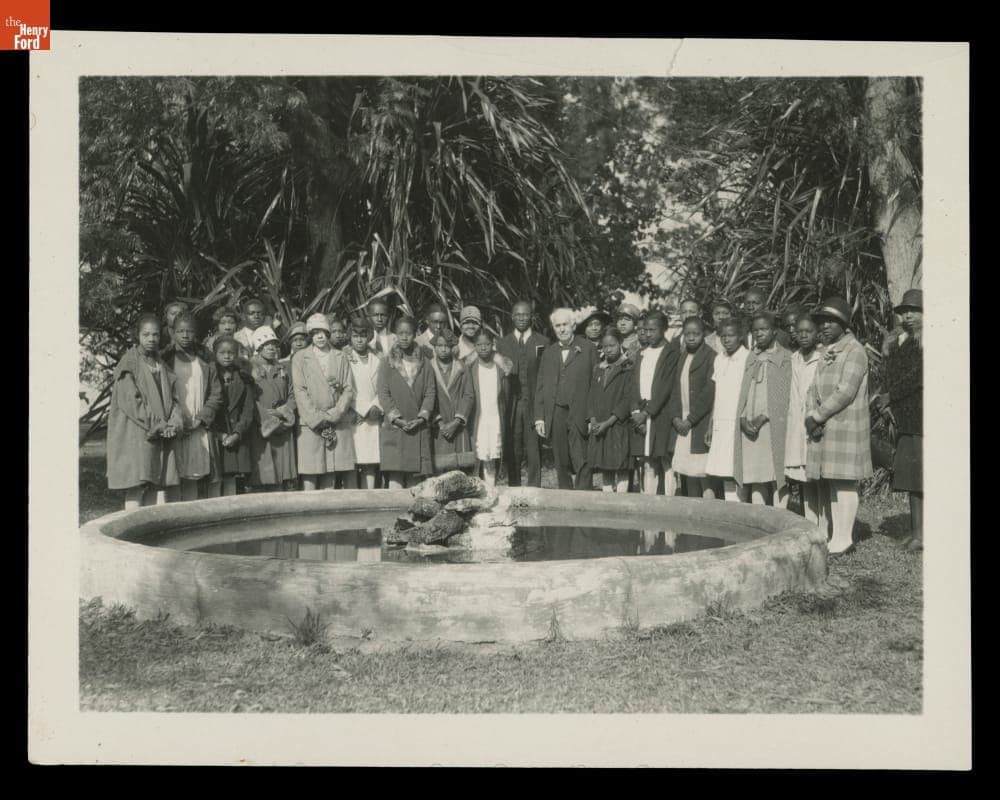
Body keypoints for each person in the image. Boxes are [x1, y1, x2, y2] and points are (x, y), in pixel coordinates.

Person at [805, 296, 873, 556]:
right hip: (826, 426)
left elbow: (846, 391)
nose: (824, 327)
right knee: (834, 481)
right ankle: (836, 535)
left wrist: (818, 416)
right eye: (822, 322)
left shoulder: (854, 351)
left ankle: (844, 537)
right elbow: (814, 387)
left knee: (845, 483)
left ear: (844, 324)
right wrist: (812, 414)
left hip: (845, 425)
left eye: (831, 322)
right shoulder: (827, 351)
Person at [106, 312, 182, 509]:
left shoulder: (160, 363)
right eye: (146, 335)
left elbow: (173, 399)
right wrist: (158, 425)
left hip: (160, 431)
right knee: (137, 484)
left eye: (155, 335)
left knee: (154, 483)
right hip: (138, 432)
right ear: (137, 336)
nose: (151, 339)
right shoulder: (130, 363)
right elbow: (132, 402)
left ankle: (147, 531)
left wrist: (173, 423)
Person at [291, 313, 358, 491]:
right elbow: (300, 390)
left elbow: (348, 388)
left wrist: (334, 415)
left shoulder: (340, 356)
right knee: (311, 470)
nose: (319, 336)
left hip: (337, 421)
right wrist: (317, 418)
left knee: (332, 469)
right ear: (310, 335)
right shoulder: (300, 358)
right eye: (315, 333)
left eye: (323, 332)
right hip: (310, 423)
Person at [534, 308, 599, 490]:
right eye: (557, 326)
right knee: (560, 457)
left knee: (582, 458)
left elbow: (595, 385)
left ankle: (583, 497)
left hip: (580, 411)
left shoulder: (588, 349)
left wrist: (591, 415)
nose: (562, 329)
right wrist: (540, 417)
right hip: (556, 411)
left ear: (573, 325)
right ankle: (565, 496)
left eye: (565, 325)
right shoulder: (549, 352)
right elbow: (541, 386)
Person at [161, 311, 223, 501]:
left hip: (198, 426)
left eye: (189, 331)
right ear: (173, 332)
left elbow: (216, 393)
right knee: (171, 474)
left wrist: (201, 419)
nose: (185, 336)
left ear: (196, 332)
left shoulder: (206, 358)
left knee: (193, 476)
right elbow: (161, 393)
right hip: (174, 423)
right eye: (180, 331)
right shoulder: (165, 358)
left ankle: (189, 516)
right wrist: (177, 419)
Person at [734, 312, 793, 507]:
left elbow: (784, 395)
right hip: (749, 424)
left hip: (771, 424)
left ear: (774, 331)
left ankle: (780, 515)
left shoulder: (785, 358)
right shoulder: (752, 356)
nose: (759, 334)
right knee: (756, 474)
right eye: (756, 330)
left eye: (764, 329)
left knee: (776, 472)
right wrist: (742, 418)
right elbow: (742, 391)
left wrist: (763, 417)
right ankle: (760, 514)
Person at [880, 289, 923, 551]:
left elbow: (918, 377)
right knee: (910, 478)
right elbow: (891, 374)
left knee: (919, 478)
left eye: (914, 311)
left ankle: (922, 534)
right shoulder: (897, 341)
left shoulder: (926, 341)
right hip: (902, 415)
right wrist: (885, 398)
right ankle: (915, 531)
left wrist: (890, 395)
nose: (908, 315)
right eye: (904, 311)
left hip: (919, 417)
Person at [377, 317, 436, 488]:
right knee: (395, 475)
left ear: (415, 334)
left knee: (415, 479)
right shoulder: (387, 362)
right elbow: (383, 392)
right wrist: (396, 418)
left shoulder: (424, 363)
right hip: (396, 425)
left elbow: (430, 392)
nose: (404, 337)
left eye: (408, 333)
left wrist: (422, 417)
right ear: (395, 335)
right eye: (401, 333)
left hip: (417, 425)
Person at [496, 300, 549, 487]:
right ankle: (514, 489)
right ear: (512, 317)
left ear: (531, 317)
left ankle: (534, 490)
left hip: (534, 404)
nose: (521, 318)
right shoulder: (502, 343)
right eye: (517, 315)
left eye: (525, 314)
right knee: (513, 448)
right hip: (512, 405)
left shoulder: (542, 342)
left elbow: (545, 376)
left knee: (534, 450)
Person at [628, 311, 678, 496]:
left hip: (660, 413)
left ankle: (669, 501)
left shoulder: (671, 352)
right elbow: (634, 383)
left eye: (653, 330)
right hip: (640, 413)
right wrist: (635, 411)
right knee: (647, 460)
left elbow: (665, 385)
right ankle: (649, 501)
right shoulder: (642, 353)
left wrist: (647, 412)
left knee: (664, 458)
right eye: (645, 330)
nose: (648, 334)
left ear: (664, 329)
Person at [667, 316, 717, 498]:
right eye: (687, 334)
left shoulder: (711, 356)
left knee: (703, 472)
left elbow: (708, 393)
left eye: (696, 334)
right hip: (683, 422)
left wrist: (690, 420)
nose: (691, 338)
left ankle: (707, 511)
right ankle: (694, 511)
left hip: (699, 422)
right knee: (688, 473)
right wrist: (675, 418)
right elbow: (675, 389)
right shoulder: (683, 356)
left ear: (703, 334)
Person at [784, 315, 827, 525]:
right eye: (799, 331)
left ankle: (825, 525)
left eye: (808, 331)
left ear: (817, 333)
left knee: (819, 477)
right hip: (797, 426)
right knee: (804, 477)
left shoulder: (824, 358)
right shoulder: (793, 359)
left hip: (815, 424)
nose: (803, 335)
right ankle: (810, 524)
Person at [246, 326, 298, 492]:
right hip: (261, 426)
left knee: (284, 479)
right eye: (266, 344)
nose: (271, 348)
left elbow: (292, 394)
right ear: (258, 347)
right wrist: (267, 418)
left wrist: (284, 412)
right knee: (263, 476)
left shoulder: (283, 367)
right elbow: (248, 399)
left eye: (273, 344)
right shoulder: (249, 368)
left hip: (283, 426)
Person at [706, 318, 750, 501]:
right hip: (721, 420)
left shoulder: (748, 358)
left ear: (740, 336)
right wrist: (711, 423)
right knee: (723, 468)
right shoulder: (719, 358)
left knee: (737, 468)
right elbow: (717, 394)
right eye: (722, 335)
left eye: (731, 335)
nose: (726, 340)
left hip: (737, 420)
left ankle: (741, 507)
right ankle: (731, 507)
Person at [587, 328, 633, 493]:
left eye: (612, 345)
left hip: (617, 425)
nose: (608, 349)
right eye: (605, 346)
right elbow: (591, 395)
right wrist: (593, 420)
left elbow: (628, 399)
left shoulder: (627, 367)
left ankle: (621, 499)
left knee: (620, 465)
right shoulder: (598, 368)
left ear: (620, 344)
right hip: (599, 425)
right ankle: (607, 499)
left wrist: (608, 422)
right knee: (605, 465)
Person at [210, 335, 256, 497]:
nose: (227, 356)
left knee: (232, 476)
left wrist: (237, 433)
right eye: (222, 353)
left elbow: (248, 409)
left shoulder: (244, 378)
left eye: (231, 353)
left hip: (237, 433)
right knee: (215, 476)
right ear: (215, 354)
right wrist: (219, 434)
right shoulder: (209, 376)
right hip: (216, 433)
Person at [428, 329, 475, 474]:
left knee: (461, 468)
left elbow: (468, 395)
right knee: (440, 469)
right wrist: (440, 423)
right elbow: (426, 396)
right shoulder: (428, 368)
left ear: (453, 347)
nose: (443, 349)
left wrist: (456, 421)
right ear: (434, 346)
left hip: (458, 426)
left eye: (447, 346)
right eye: (439, 345)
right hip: (439, 427)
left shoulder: (462, 367)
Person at [345, 316, 384, 490]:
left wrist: (376, 407)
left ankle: (369, 495)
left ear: (369, 336)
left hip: (373, 416)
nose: (359, 339)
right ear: (350, 337)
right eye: (355, 335)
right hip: (353, 414)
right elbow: (344, 387)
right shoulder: (344, 358)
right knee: (352, 461)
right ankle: (353, 496)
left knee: (370, 460)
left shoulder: (379, 359)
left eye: (363, 335)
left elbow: (384, 386)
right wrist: (359, 409)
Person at [470, 330, 513, 488]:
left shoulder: (500, 368)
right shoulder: (471, 368)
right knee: (478, 454)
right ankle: (476, 489)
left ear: (492, 345)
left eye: (487, 344)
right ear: (474, 346)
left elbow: (506, 396)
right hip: (478, 418)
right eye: (479, 345)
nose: (483, 348)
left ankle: (491, 489)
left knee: (492, 456)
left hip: (494, 416)